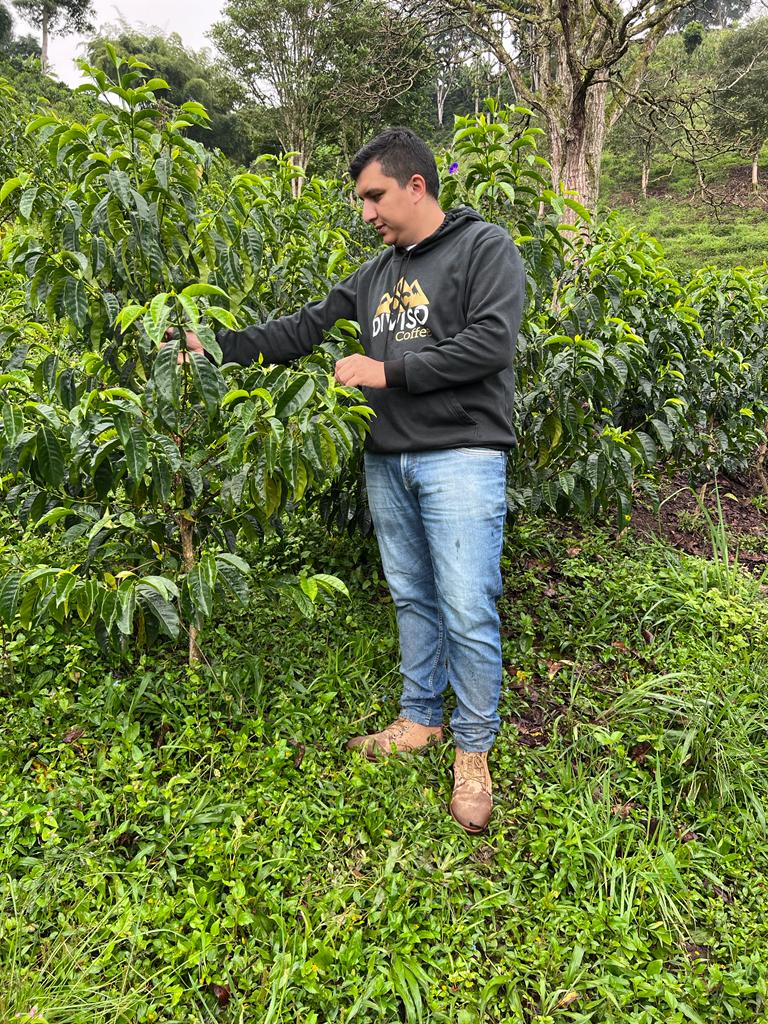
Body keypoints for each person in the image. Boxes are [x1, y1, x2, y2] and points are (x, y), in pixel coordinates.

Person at [182, 128, 526, 833]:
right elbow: (298, 331)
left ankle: (474, 750)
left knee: (467, 604)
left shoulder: (482, 248)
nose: (367, 212)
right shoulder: (374, 276)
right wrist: (209, 346)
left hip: (462, 455)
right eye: (361, 199)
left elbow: (491, 343)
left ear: (416, 185)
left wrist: (387, 371)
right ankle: (420, 719)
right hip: (387, 458)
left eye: (375, 195)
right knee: (412, 596)